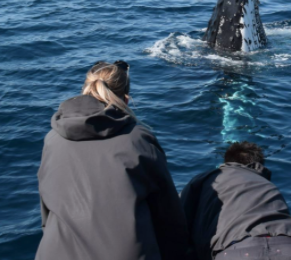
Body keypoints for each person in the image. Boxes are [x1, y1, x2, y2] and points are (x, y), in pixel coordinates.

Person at [36, 60, 189, 260]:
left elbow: (46, 212)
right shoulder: (138, 139)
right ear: (125, 99)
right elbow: (168, 217)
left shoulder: (52, 139)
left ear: (85, 90)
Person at [180, 141, 291, 260]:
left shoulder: (205, 179)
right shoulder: (266, 183)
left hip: (236, 250)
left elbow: (178, 219)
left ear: (227, 161)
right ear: (260, 164)